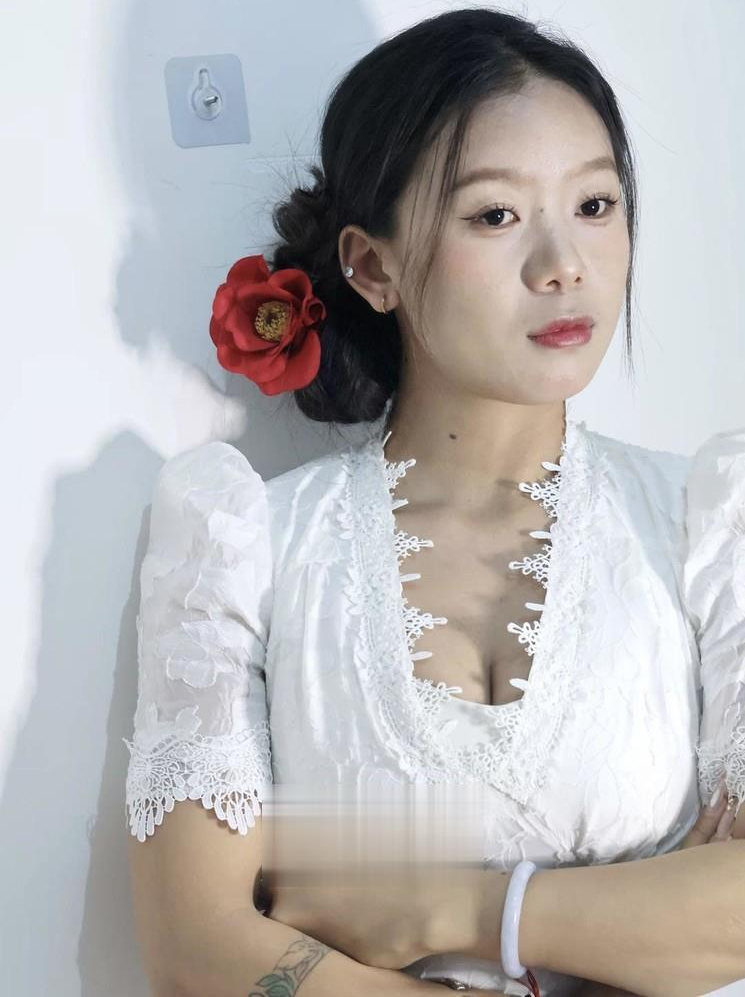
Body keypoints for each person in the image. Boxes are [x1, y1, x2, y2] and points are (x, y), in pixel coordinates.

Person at [123, 7, 745, 997]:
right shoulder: (239, 544)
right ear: (372, 266)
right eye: (495, 216)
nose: (563, 263)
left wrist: (442, 909)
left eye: (594, 204)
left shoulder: (710, 521)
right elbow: (198, 955)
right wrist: (649, 918)